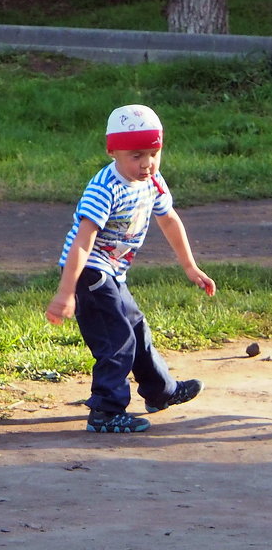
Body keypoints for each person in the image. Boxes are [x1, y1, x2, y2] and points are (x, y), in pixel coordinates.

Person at [45, 104, 216, 434]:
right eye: (136, 156)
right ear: (113, 151)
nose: (147, 164)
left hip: (112, 271)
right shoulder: (104, 188)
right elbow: (82, 241)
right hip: (89, 271)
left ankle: (160, 392)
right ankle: (106, 411)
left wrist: (190, 266)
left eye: (154, 153)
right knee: (116, 339)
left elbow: (169, 221)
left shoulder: (153, 181)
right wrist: (66, 293)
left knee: (136, 329)